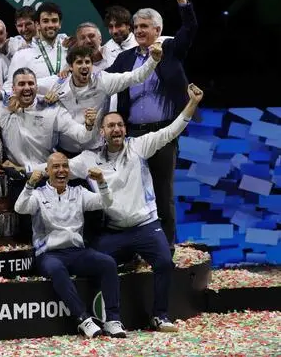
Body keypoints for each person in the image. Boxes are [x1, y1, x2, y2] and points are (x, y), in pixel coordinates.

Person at [68, 83, 205, 332]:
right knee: (95, 262)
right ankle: (109, 318)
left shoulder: (138, 147)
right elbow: (58, 168)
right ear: (102, 132)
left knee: (164, 262)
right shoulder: (89, 159)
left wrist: (192, 104)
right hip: (114, 231)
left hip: (146, 227)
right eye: (111, 126)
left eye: (120, 125)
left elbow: (170, 131)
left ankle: (160, 315)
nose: (117, 129)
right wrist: (25, 171)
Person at [105, 0, 197, 248]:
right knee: (131, 193)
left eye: (144, 26)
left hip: (163, 133)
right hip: (131, 135)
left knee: (162, 191)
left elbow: (191, 27)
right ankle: (135, 248)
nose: (139, 31)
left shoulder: (170, 50)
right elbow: (105, 82)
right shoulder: (124, 59)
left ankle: (166, 247)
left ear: (158, 29)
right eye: (136, 27)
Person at [16, 153, 125, 338]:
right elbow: (20, 207)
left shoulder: (78, 192)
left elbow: (105, 202)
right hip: (49, 254)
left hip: (77, 252)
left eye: (65, 166)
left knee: (107, 263)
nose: (61, 171)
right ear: (47, 171)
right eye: (56, 167)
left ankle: (113, 320)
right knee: (57, 269)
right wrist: (29, 184)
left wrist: (101, 182)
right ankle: (84, 319)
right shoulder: (38, 195)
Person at [37, 43, 161, 157]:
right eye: (79, 62)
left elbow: (136, 77)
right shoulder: (58, 83)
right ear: (70, 66)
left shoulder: (103, 81)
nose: (84, 66)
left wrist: (153, 60)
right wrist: (33, 99)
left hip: (96, 150)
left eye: (87, 62)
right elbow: (28, 87)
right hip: (66, 151)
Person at [5, 2, 69, 92]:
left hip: (68, 104)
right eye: (45, 21)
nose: (50, 25)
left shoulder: (70, 48)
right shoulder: (21, 54)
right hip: (36, 105)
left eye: (54, 21)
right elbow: (9, 87)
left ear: (60, 24)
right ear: (37, 24)